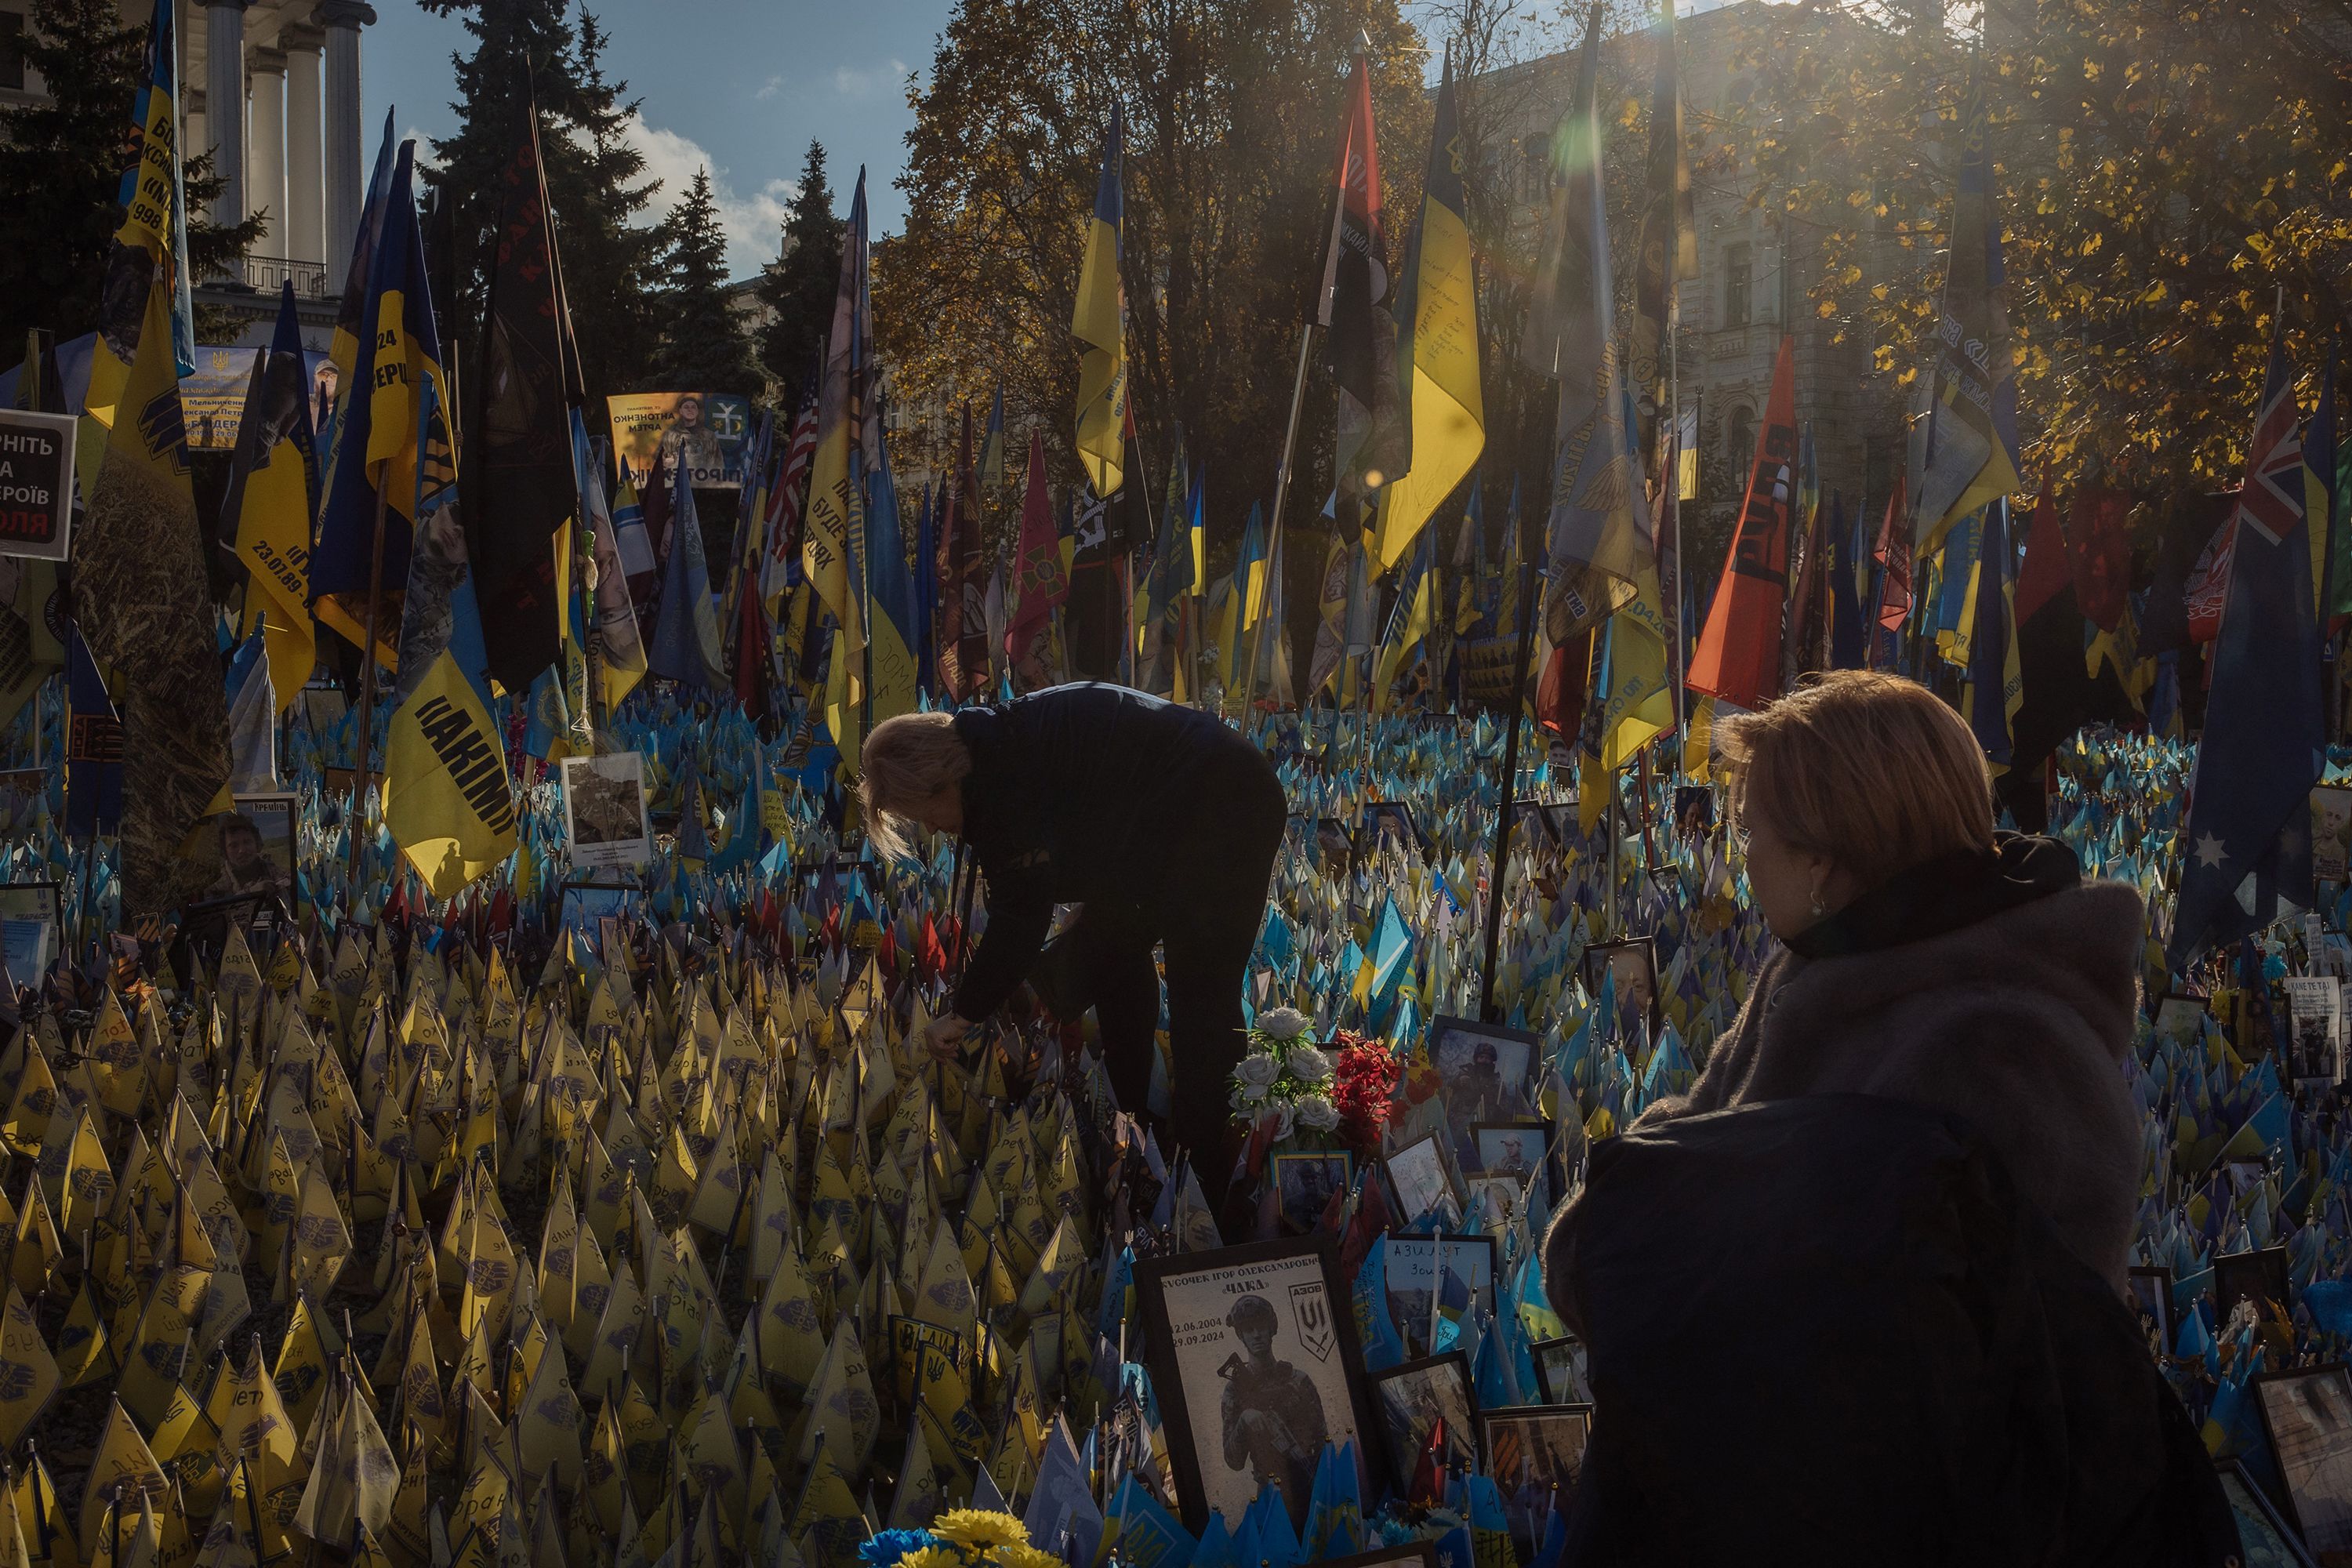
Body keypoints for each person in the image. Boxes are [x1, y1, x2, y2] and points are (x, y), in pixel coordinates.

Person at [1606, 669, 2143, 1288]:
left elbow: (1813, 1306)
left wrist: (1631, 1199)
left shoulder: (1992, 1052)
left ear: (1820, 859)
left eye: (1750, 829)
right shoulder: (1820, 970)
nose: (1741, 855)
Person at [860, 683, 1286, 1210]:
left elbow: (1020, 918)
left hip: (1225, 806)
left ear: (940, 781)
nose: (931, 828)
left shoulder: (999, 782)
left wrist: (962, 1015)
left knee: (1202, 994)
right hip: (1173, 810)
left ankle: (1205, 1181)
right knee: (1111, 954)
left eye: (924, 813)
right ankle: (1140, 1119)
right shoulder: (995, 744)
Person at [1218, 1293, 1327, 1515]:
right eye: (1249, 1329)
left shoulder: (1298, 1381)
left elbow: (1324, 1440)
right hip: (1271, 1495)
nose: (1256, 1335)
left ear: (1272, 1328)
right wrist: (1245, 1419)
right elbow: (1234, 1460)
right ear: (1241, 1335)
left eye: (1261, 1327)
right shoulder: (1236, 1389)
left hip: (1311, 1487)